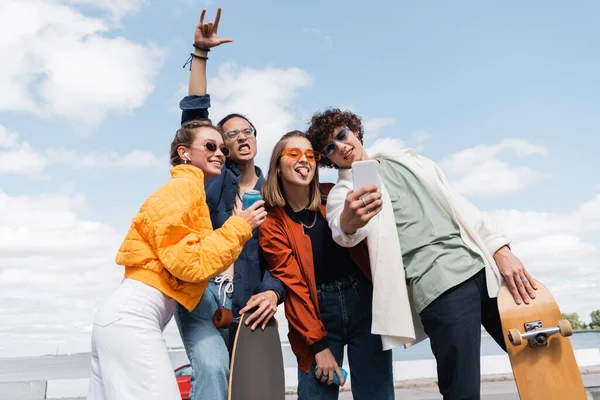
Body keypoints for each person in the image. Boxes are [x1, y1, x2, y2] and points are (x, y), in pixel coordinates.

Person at [306, 109, 539, 400]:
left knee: (540, 361)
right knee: (463, 391)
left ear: (354, 130)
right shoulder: (344, 192)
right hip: (439, 287)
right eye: (330, 148)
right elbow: (342, 230)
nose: (340, 146)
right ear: (329, 158)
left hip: (484, 269)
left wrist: (501, 250)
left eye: (341, 135)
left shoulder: (407, 159)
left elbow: (461, 205)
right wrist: (351, 219)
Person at [87, 119, 267, 400]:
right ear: (184, 152)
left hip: (124, 319)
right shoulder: (183, 189)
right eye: (209, 146)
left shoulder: (190, 191)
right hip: (133, 319)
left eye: (221, 148)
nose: (219, 153)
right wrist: (240, 226)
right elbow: (189, 264)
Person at [174, 8, 285, 400]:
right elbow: (194, 120)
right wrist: (201, 55)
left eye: (247, 130)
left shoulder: (277, 195)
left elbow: (283, 260)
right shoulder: (216, 181)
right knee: (211, 367)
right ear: (220, 145)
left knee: (252, 389)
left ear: (255, 138)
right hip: (202, 297)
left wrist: (273, 293)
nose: (240, 136)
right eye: (230, 133)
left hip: (249, 304)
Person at [259, 131, 394, 400]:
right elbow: (294, 286)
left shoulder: (334, 195)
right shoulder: (273, 224)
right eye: (294, 154)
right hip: (316, 313)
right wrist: (319, 345)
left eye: (310, 155)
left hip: (364, 301)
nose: (304, 160)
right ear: (277, 164)